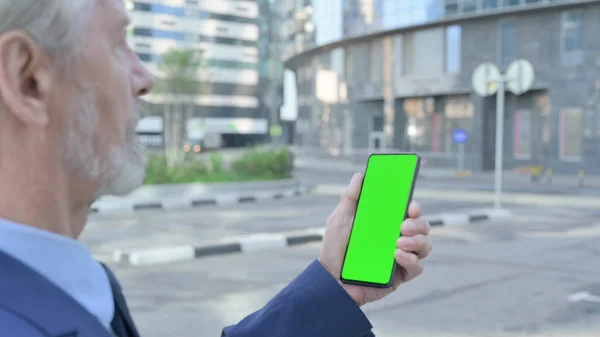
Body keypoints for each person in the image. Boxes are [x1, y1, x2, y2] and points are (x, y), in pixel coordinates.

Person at [0, 1, 433, 336]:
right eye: (118, 43)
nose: (144, 76)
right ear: (27, 80)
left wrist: (336, 289)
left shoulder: (77, 282)